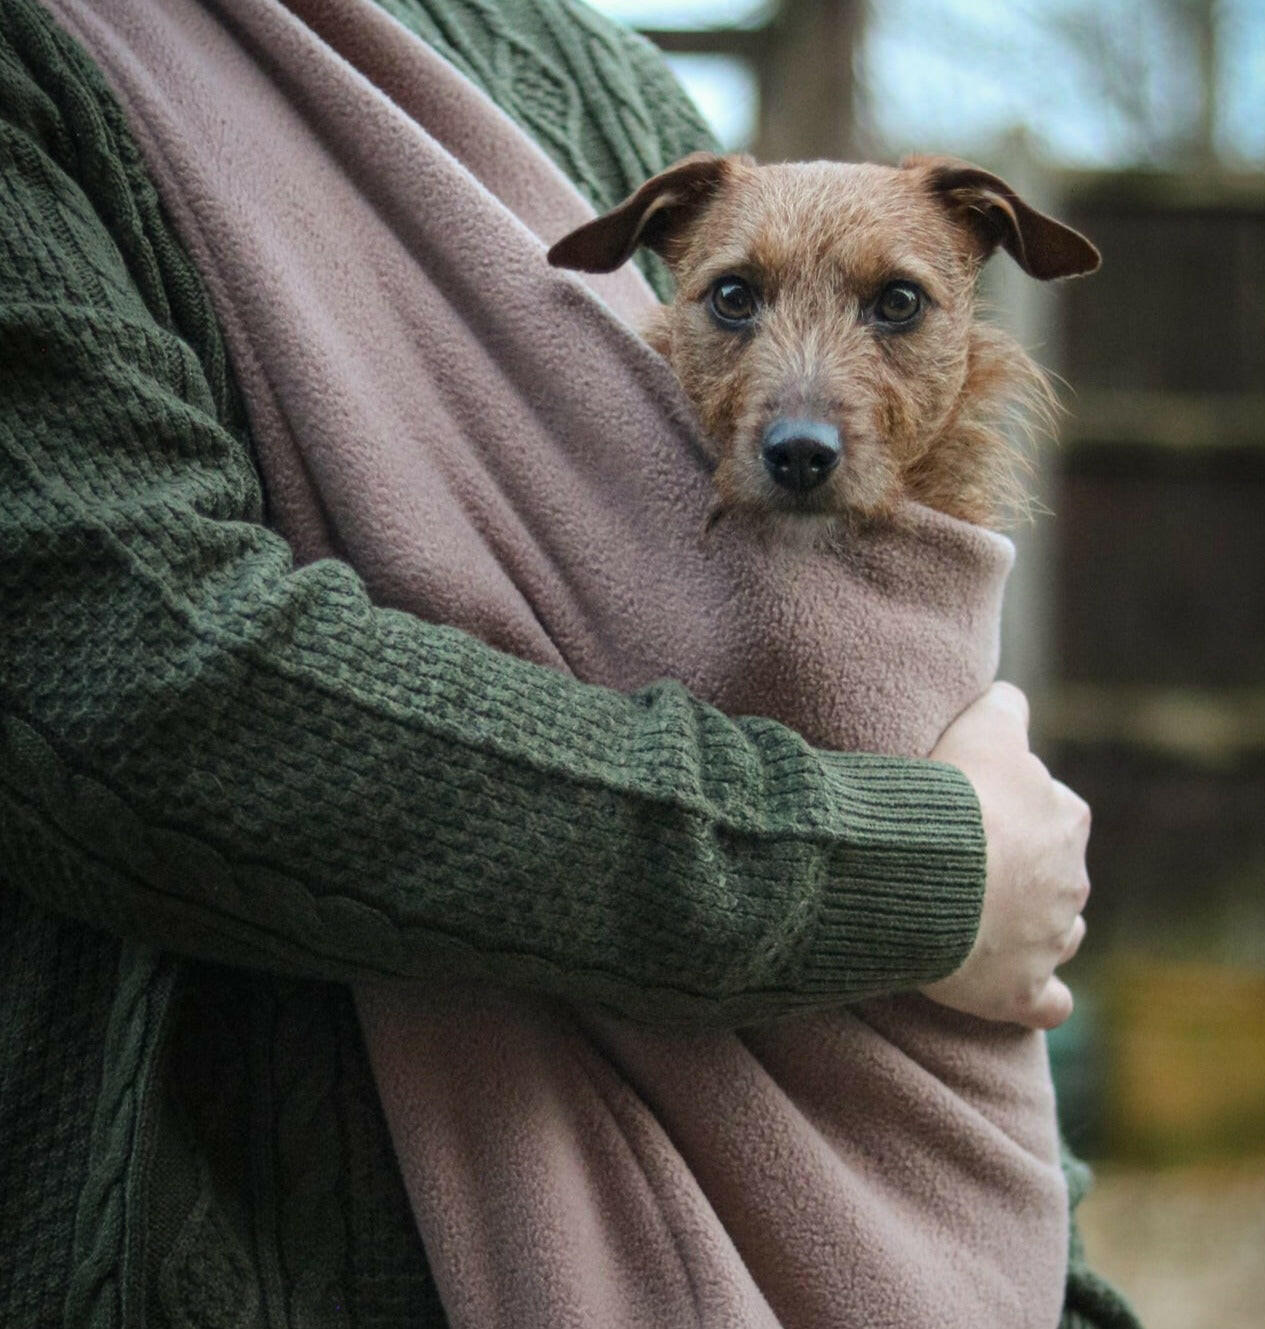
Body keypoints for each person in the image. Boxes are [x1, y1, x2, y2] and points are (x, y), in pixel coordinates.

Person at [0, 0, 1137, 1324]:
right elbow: (151, 689)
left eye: (893, 306)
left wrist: (1047, 1278)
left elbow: (954, 829)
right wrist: (924, 866)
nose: (807, 387)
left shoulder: (587, 64)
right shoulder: (51, 62)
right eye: (732, 299)